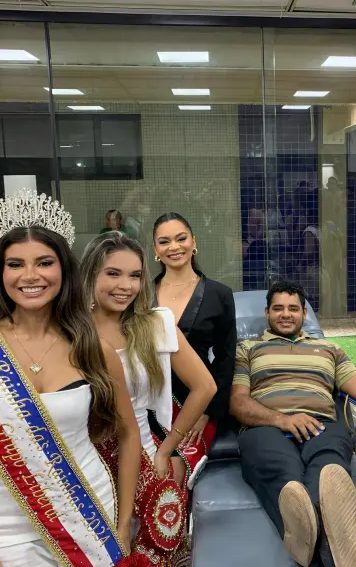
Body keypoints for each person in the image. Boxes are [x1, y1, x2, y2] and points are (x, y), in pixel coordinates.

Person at [0, 189, 141, 566]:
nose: (31, 275)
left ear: (63, 270)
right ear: (0, 272)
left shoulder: (93, 348)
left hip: (89, 520)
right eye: (16, 264)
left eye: (44, 262)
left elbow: (129, 434)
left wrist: (122, 526)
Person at [231, 281, 356, 567]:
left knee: (329, 472)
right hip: (266, 426)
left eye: (293, 309)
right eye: (278, 308)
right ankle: (340, 545)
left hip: (321, 424)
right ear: (267, 313)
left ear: (304, 313)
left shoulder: (329, 349)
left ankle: (307, 534)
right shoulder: (247, 349)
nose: (285, 314)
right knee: (285, 477)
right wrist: (283, 420)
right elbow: (238, 402)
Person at [82, 231, 217, 565]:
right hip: (84, 464)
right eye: (113, 273)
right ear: (90, 274)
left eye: (135, 276)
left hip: (144, 456)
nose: (125, 286)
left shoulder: (155, 323)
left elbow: (205, 387)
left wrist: (167, 449)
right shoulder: (69, 331)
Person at [151, 212, 236, 483]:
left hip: (197, 401)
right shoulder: (141, 294)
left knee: (173, 475)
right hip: (148, 402)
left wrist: (206, 412)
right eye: (164, 241)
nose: (174, 247)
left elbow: (225, 358)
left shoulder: (219, 294)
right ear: (155, 249)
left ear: (194, 242)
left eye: (181, 238)